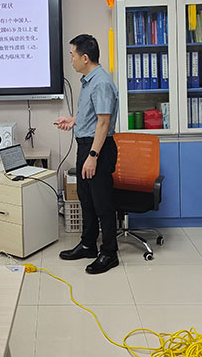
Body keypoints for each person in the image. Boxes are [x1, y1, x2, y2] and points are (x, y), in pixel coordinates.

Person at [55, 34, 119, 274]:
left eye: (72, 55)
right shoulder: (88, 81)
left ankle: (109, 253)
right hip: (87, 146)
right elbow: (93, 115)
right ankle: (88, 245)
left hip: (97, 149)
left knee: (102, 202)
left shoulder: (101, 82)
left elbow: (104, 122)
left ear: (85, 57)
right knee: (87, 199)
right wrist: (73, 120)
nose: (70, 59)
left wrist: (93, 155)